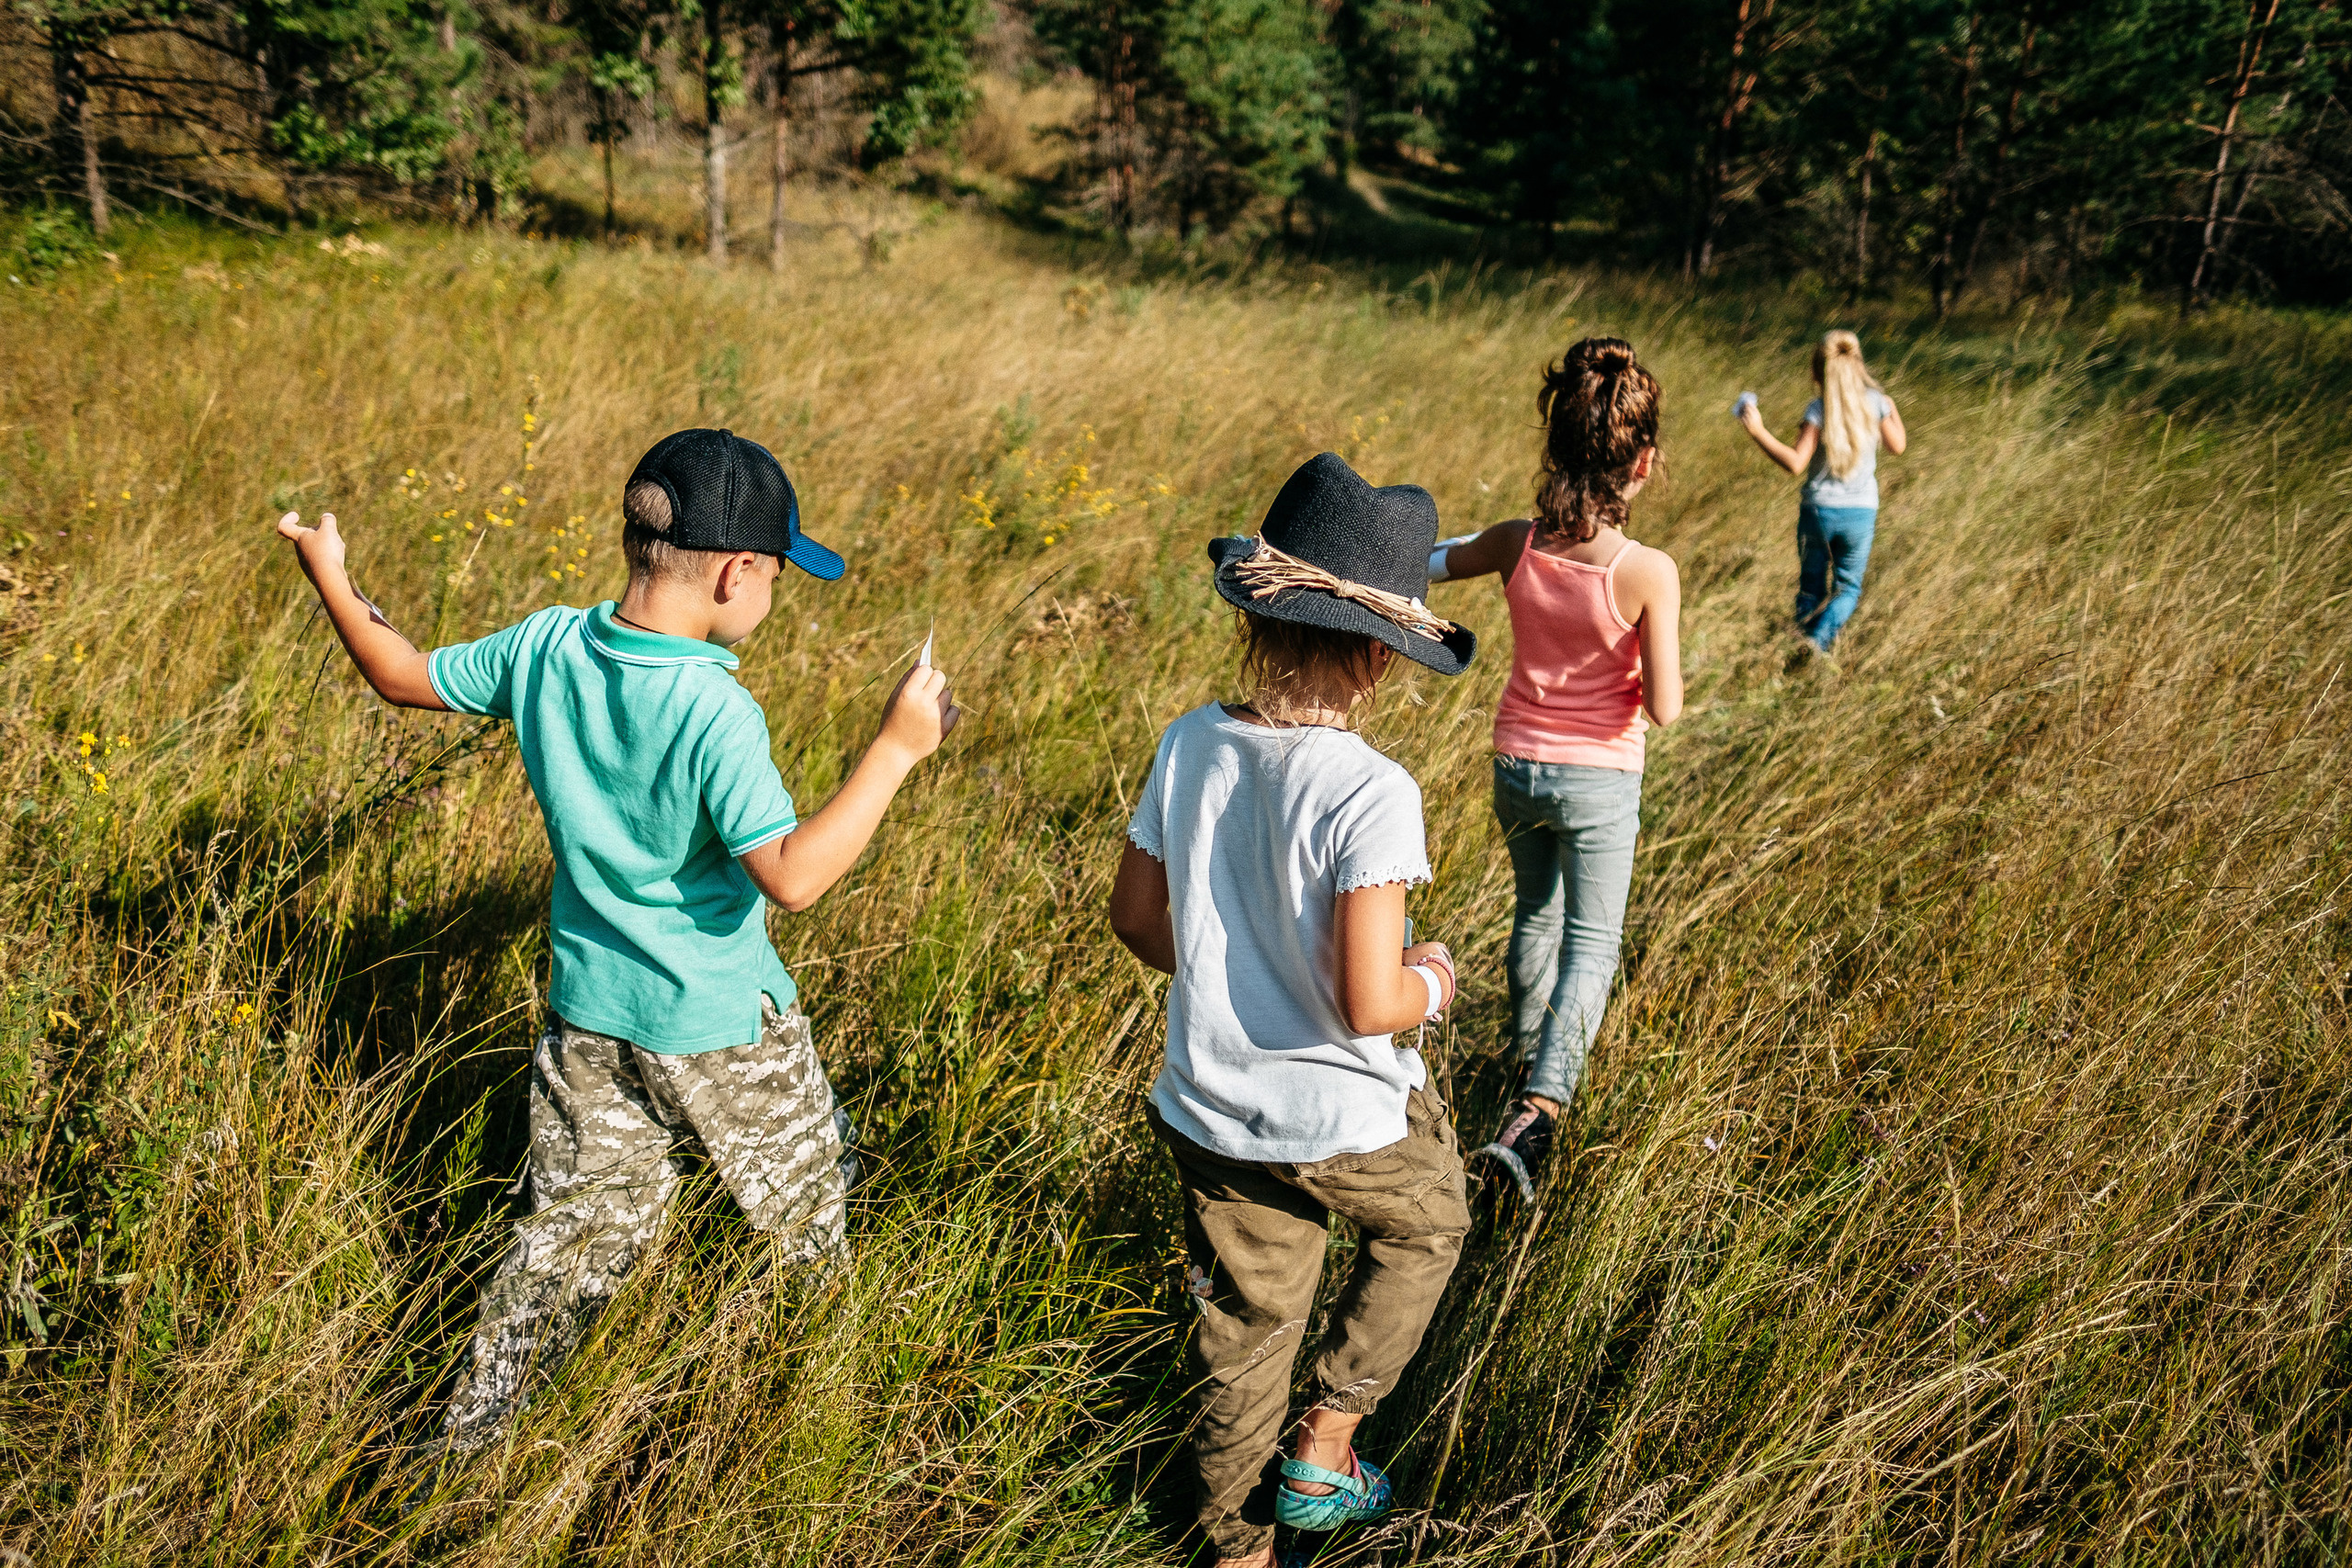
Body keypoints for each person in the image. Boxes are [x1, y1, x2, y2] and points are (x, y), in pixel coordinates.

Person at [273, 427, 958, 1454]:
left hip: (587, 1018)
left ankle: (464, 1448)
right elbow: (796, 878)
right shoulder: (713, 707)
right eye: (776, 574)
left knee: (566, 1246)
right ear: (736, 573)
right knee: (812, 1218)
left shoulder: (548, 643)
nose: (771, 596)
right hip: (725, 1025)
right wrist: (899, 749)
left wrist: (329, 570)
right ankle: (819, 1409)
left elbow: (402, 675)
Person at [1108, 452, 1477, 1568]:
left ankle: (1238, 1550)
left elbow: (1133, 918)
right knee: (1431, 1225)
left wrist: (1232, 972)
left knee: (1242, 1336)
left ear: (1253, 623)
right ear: (1377, 659)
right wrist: (1439, 980)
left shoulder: (1189, 742)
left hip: (1212, 1108)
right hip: (1341, 1117)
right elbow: (1372, 1003)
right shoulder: (1370, 791)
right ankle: (1329, 1437)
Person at [1428, 337, 1683, 1201]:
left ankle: (1520, 1055)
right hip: (1599, 777)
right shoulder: (1647, 571)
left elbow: (1437, 560)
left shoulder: (1515, 543)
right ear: (1641, 461)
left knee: (1534, 915)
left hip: (1516, 765)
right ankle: (1541, 1107)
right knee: (1593, 939)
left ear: (1558, 446)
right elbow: (1667, 706)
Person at [1735, 328, 1909, 650]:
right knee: (1848, 589)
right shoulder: (1876, 404)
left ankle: (1806, 642)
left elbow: (1795, 463)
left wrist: (1758, 431)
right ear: (1858, 366)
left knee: (1811, 589)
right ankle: (1817, 643)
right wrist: (1890, 406)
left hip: (1818, 512)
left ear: (1817, 372)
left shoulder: (1818, 409)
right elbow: (1898, 446)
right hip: (1860, 513)